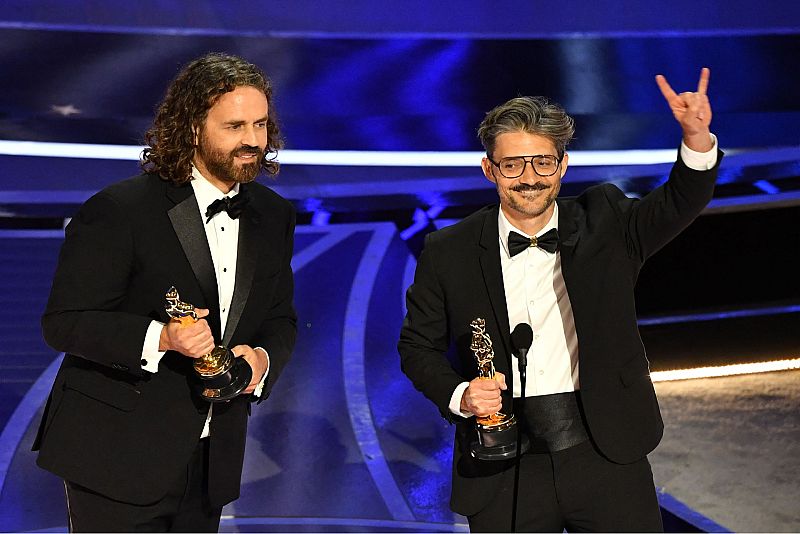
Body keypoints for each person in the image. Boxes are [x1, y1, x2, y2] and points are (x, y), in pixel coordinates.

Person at [398, 68, 720, 532]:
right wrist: (461, 394)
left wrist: (696, 136)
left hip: (605, 450)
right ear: (489, 168)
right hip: (504, 459)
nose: (529, 178)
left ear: (563, 165)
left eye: (543, 162)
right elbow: (417, 347)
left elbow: (679, 201)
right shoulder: (449, 250)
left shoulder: (605, 220)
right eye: (513, 164)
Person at [33, 52, 297, 532]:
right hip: (116, 454)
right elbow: (65, 321)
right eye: (235, 126)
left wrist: (261, 360)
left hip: (212, 455)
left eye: (260, 125)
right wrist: (162, 338)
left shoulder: (273, 215)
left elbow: (281, 318)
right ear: (193, 127)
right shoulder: (120, 209)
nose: (253, 142)